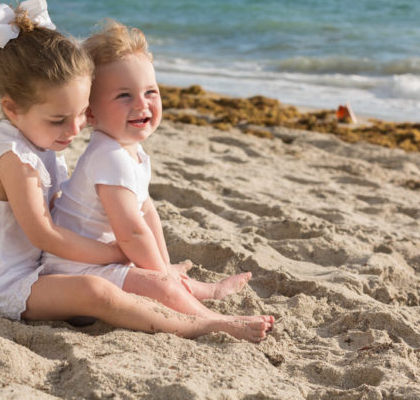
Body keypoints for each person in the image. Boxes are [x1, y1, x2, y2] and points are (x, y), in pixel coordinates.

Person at [0, 0, 271, 342]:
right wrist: (113, 253)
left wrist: (135, 260)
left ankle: (183, 290)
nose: (76, 130)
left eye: (81, 114)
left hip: (33, 268)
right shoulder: (15, 158)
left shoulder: (42, 142)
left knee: (124, 275)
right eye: (60, 119)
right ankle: (203, 324)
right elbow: (44, 234)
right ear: (12, 109)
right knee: (96, 292)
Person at [41, 20, 274, 327]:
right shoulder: (108, 157)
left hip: (102, 262)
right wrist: (161, 276)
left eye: (150, 91)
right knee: (160, 285)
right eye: (124, 95)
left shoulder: (131, 151)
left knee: (162, 278)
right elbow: (132, 233)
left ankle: (203, 290)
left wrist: (162, 266)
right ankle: (215, 320)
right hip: (73, 271)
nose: (142, 104)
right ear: (92, 113)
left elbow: (146, 210)